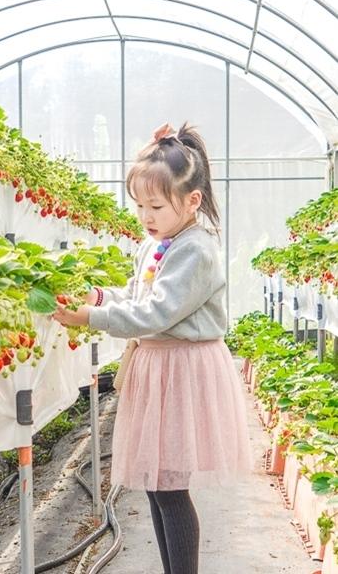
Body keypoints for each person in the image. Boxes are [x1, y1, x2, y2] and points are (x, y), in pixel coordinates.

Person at [52, 123, 252, 574]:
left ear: (192, 200)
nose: (145, 215)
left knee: (169, 486)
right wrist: (99, 297)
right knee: (158, 485)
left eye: (155, 206)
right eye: (140, 205)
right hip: (160, 366)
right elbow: (137, 295)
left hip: (183, 370)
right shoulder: (159, 243)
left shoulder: (196, 251)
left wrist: (90, 318)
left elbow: (154, 314)